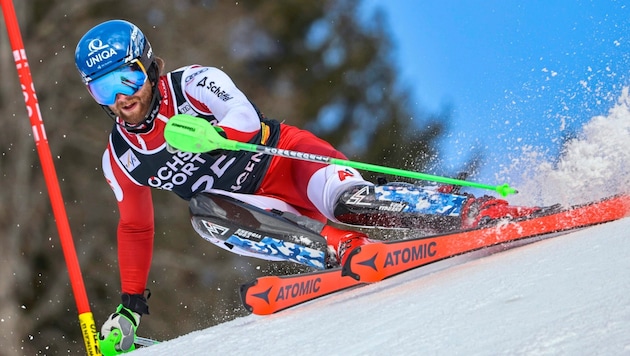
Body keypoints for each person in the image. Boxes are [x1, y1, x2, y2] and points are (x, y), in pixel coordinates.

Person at [74, 20, 536, 354]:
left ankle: (476, 212)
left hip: (291, 163)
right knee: (205, 212)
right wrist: (130, 307)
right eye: (103, 88)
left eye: (128, 76)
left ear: (149, 67)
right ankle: (343, 250)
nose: (121, 97)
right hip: (257, 209)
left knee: (352, 203)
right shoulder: (120, 158)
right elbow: (135, 227)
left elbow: (245, 118)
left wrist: (216, 136)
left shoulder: (194, 83)